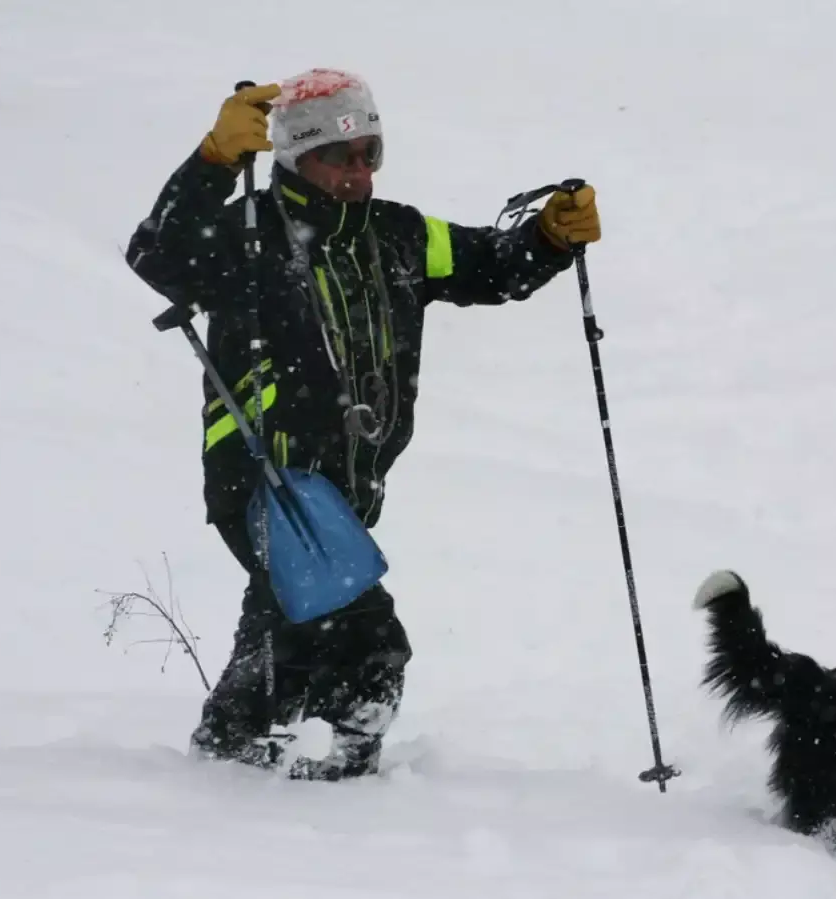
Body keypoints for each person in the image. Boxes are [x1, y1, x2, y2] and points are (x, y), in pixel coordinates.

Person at [124, 69, 600, 780]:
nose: (357, 171)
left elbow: (491, 267)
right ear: (296, 157)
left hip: (348, 484)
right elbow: (156, 254)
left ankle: (232, 761)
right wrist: (213, 162)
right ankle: (342, 784)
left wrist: (550, 239)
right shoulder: (249, 231)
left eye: (368, 152)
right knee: (368, 643)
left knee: (290, 628)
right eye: (337, 156)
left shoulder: (397, 234)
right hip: (266, 476)